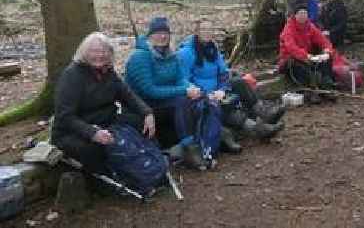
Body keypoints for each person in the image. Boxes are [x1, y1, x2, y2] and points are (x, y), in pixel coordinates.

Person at [52, 32, 155, 174]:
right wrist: (92, 132)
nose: (99, 55)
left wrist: (147, 112)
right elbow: (65, 116)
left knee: (139, 123)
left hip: (105, 122)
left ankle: (147, 163)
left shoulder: (108, 72)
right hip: (73, 131)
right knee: (93, 148)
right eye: (94, 51)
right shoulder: (72, 75)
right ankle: (106, 183)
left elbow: (128, 95)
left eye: (103, 51)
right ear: (84, 53)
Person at [177, 19, 284, 153]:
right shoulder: (186, 53)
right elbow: (184, 80)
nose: (207, 33)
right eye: (204, 29)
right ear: (196, 32)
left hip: (217, 91)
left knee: (238, 82)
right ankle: (257, 129)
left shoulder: (213, 48)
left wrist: (222, 89)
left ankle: (262, 112)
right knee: (224, 107)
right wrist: (206, 93)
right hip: (200, 94)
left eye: (210, 29)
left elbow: (223, 73)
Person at [124, 16, 207, 170]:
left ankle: (205, 141)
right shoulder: (140, 57)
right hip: (143, 107)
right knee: (182, 100)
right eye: (158, 33)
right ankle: (189, 148)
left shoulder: (171, 55)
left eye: (166, 33)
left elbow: (180, 79)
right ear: (149, 36)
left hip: (164, 102)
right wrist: (184, 90)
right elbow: (149, 90)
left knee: (198, 98)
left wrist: (192, 88)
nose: (162, 36)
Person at [279, 0, 336, 103]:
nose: (303, 16)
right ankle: (309, 91)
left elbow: (322, 40)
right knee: (299, 65)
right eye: (300, 13)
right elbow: (291, 48)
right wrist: (307, 56)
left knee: (327, 60)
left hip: (307, 56)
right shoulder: (288, 29)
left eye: (305, 13)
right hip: (289, 60)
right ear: (295, 15)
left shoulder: (310, 26)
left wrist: (327, 51)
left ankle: (327, 87)